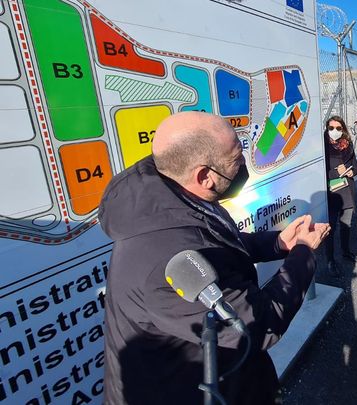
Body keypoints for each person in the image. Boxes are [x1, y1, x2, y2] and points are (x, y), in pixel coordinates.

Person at [99, 112, 330, 404]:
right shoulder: (164, 263)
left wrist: (279, 243)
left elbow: (219, 246)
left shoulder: (178, 196)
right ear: (204, 176)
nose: (245, 162)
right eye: (237, 158)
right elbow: (258, 324)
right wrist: (304, 253)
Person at [324, 115, 357, 274]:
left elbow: (356, 166)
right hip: (331, 194)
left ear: (343, 129)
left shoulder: (348, 144)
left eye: (338, 128)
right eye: (331, 128)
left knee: (346, 226)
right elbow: (319, 173)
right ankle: (330, 260)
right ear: (326, 129)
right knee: (330, 229)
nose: (334, 131)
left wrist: (352, 172)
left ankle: (346, 252)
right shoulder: (321, 146)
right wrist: (334, 173)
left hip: (347, 192)